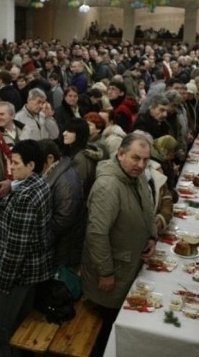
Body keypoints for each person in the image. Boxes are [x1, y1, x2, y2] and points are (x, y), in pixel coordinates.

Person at [81, 133, 157, 356]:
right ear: (120, 154)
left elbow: (147, 206)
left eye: (145, 160)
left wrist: (151, 236)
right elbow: (96, 234)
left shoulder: (136, 175)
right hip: (113, 270)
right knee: (109, 325)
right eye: (135, 158)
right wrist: (105, 272)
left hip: (130, 262)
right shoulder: (108, 186)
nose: (141, 165)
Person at [0, 140, 54, 357]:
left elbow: (16, 248)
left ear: (30, 165)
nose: (11, 167)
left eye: (16, 163)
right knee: (21, 319)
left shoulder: (26, 196)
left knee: (3, 324)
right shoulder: (40, 184)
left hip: (22, 271)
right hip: (35, 266)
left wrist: (3, 280)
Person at [38, 139, 85, 267]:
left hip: (66, 246)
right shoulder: (55, 173)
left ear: (50, 159)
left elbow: (63, 220)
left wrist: (38, 231)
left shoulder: (66, 181)